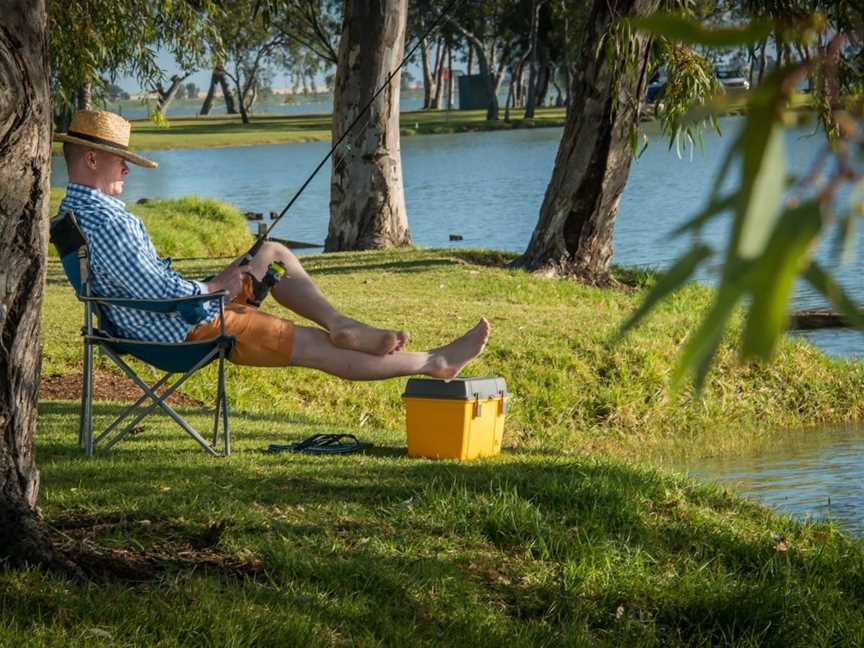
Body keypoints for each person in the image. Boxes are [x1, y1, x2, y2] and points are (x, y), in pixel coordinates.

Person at [55, 110, 490, 381]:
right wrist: (213, 290)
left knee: (273, 252)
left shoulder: (76, 213)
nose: (127, 171)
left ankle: (342, 323)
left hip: (167, 317)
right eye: (121, 161)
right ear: (91, 159)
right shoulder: (105, 219)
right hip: (184, 329)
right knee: (317, 349)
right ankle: (434, 362)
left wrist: (214, 285)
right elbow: (155, 293)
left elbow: (143, 286)